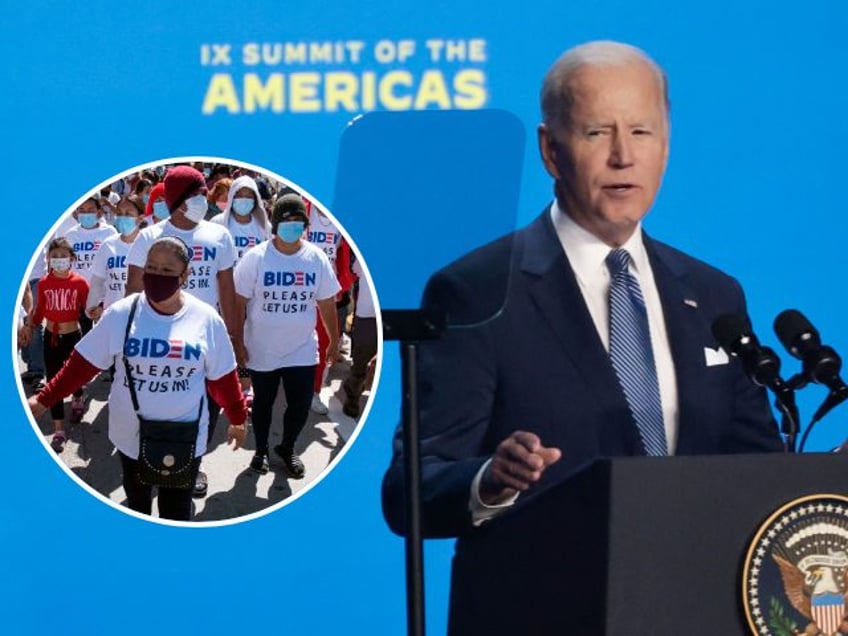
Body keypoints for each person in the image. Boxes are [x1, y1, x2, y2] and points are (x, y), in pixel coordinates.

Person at [381, 40, 783, 541]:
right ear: (552, 150)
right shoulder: (475, 290)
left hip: (693, 600)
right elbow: (409, 489)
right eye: (597, 132)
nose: (623, 156)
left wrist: (827, 473)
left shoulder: (713, 294)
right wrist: (490, 481)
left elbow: (759, 471)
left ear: (666, 144)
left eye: (641, 131)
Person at [28, 236, 248, 521]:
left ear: (186, 275)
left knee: (175, 511)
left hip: (183, 436)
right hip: (131, 434)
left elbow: (223, 379)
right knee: (138, 505)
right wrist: (45, 399)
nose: (158, 275)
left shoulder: (206, 319)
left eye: (168, 270)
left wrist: (238, 417)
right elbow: (81, 366)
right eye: (152, 267)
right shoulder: (122, 313)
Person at [125, 165, 238, 498]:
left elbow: (227, 290)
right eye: (194, 194)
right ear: (176, 200)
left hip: (204, 339)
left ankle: (193, 464)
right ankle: (149, 458)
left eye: (204, 193)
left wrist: (234, 338)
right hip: (156, 338)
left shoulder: (219, 235)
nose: (203, 199)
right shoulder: (149, 236)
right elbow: (133, 289)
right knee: (158, 402)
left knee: (207, 405)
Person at [232, 194, 340, 477]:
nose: (292, 226)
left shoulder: (315, 258)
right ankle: (261, 451)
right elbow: (238, 303)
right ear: (276, 223)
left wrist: (335, 340)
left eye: (297, 221)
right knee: (263, 404)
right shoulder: (255, 258)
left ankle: (287, 447)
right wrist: (238, 344)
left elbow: (327, 302)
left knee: (301, 405)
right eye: (286, 220)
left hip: (302, 350)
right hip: (261, 349)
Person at [19, 238, 89, 451]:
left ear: (72, 259)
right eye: (54, 256)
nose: (59, 260)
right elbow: (39, 311)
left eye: (63, 256)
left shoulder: (80, 283)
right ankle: (59, 430)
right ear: (48, 259)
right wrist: (30, 326)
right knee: (54, 381)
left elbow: (87, 313)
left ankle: (78, 398)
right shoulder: (44, 283)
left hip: (73, 336)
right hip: (51, 338)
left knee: (74, 376)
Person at [210, 174, 271, 406]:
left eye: (249, 196)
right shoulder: (217, 224)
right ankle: (220, 381)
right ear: (232, 197)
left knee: (247, 338)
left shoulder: (263, 226)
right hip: (223, 293)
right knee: (224, 337)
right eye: (239, 195)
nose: (244, 200)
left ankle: (245, 386)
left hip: (252, 295)